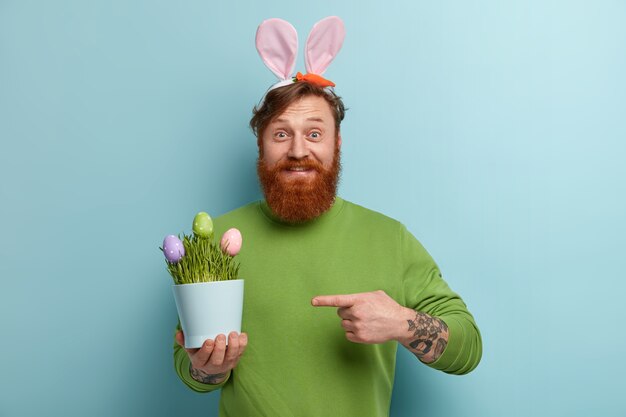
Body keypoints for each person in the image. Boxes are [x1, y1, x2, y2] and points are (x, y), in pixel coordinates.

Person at [173, 17, 481, 417]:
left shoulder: (390, 238)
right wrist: (207, 369)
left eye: (315, 134)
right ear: (261, 146)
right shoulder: (215, 243)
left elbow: (468, 349)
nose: (299, 150)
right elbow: (186, 366)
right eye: (281, 134)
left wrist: (403, 323)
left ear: (337, 144)